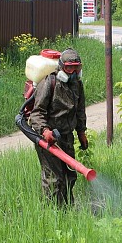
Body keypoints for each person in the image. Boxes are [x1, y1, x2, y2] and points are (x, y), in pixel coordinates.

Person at [29, 48, 88, 207]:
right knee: (54, 179)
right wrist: (45, 131)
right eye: (69, 68)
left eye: (77, 67)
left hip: (67, 137)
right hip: (48, 140)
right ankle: (53, 214)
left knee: (69, 176)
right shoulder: (50, 82)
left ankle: (68, 210)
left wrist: (81, 132)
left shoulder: (77, 85)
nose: (74, 72)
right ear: (61, 67)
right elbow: (36, 113)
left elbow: (80, 110)